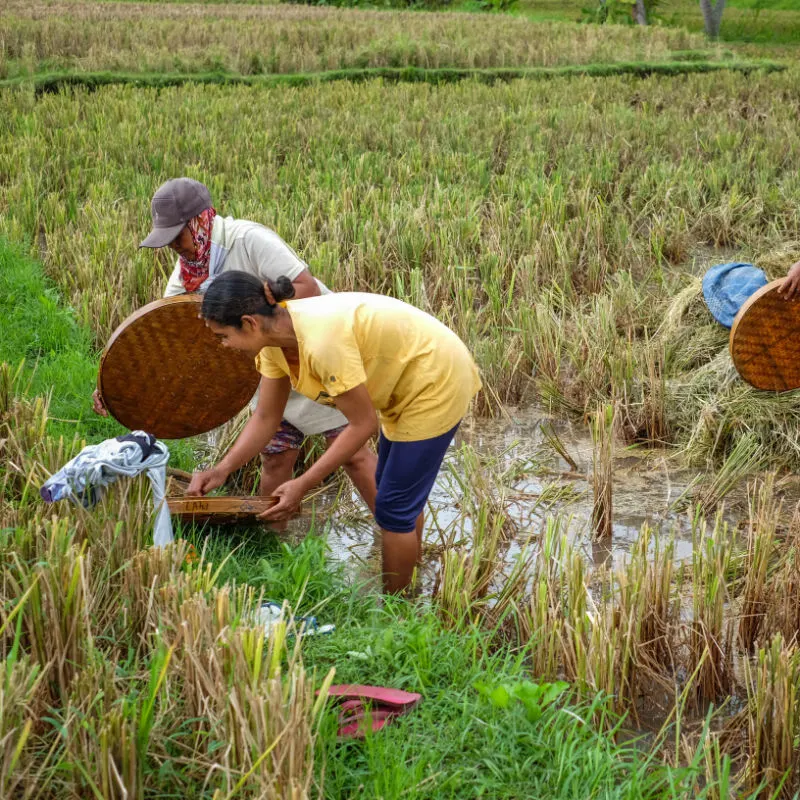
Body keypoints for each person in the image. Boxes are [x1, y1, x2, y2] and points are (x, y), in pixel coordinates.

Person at [186, 271, 482, 593]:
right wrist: (221, 470)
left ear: (250, 322)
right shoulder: (274, 343)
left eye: (223, 336)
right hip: (403, 382)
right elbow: (266, 417)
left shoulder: (321, 342)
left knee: (394, 510)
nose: (224, 345)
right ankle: (410, 571)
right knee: (394, 493)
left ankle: (399, 614)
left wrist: (302, 484)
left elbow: (362, 424)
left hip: (435, 379)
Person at [93, 177, 377, 508]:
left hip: (313, 353)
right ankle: (273, 543)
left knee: (353, 455)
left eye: (176, 236)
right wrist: (117, 387)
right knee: (276, 454)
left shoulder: (247, 240)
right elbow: (166, 341)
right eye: (165, 239)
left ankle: (389, 533)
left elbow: (308, 287)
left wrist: (263, 304)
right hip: (268, 364)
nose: (173, 246)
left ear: (199, 220)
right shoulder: (188, 274)